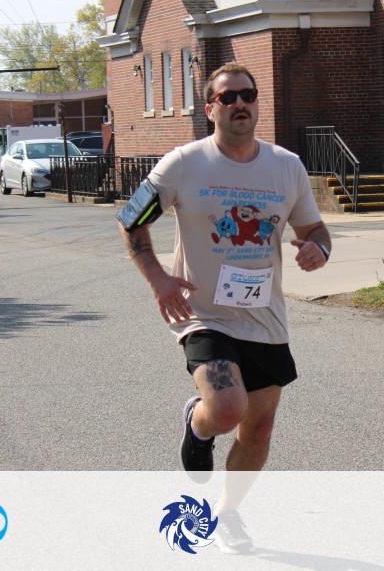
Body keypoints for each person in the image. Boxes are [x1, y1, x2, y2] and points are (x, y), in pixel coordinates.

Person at [119, 62, 332, 554]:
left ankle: (227, 514)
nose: (240, 103)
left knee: (258, 427)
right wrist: (158, 279)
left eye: (247, 95)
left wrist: (319, 248)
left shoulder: (286, 166)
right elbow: (131, 220)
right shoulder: (183, 163)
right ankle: (200, 423)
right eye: (228, 96)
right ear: (210, 108)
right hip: (204, 313)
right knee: (228, 407)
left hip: (264, 318)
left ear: (257, 103)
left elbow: (314, 229)